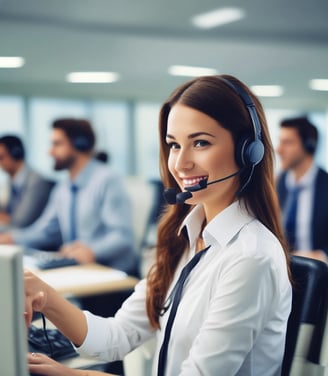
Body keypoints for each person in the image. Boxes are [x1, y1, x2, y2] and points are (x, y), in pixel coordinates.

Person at [25, 75, 292, 376]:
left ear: (248, 151)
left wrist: (71, 374)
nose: (180, 163)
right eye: (174, 145)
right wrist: (43, 296)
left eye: (200, 142)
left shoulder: (250, 257)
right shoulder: (185, 241)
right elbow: (116, 337)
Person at [0, 119, 138, 275]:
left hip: (113, 275)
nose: (50, 152)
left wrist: (92, 250)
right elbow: (45, 231)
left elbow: (123, 237)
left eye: (57, 144)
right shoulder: (63, 188)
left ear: (80, 144)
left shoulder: (107, 180)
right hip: (80, 271)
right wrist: (11, 239)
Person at [276, 116, 328, 262]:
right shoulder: (279, 183)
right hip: (285, 269)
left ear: (308, 145)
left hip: (320, 272)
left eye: (287, 143)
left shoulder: (325, 184)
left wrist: (322, 255)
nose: (279, 150)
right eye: (280, 142)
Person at [0, 135, 54, 228]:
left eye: (1, 157)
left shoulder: (36, 182)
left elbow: (20, 223)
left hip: (32, 239)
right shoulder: (11, 181)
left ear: (16, 154)